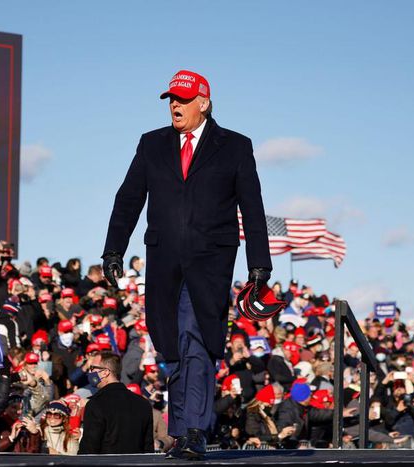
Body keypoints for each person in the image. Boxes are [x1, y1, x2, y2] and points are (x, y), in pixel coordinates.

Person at [102, 69, 272, 459]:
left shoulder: (235, 146)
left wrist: (259, 264)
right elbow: (129, 198)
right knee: (172, 347)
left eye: (182, 99)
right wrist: (113, 249)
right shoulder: (152, 143)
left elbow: (253, 207)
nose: (174, 106)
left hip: (211, 262)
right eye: (171, 100)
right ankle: (181, 430)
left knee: (197, 339)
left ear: (204, 103)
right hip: (163, 261)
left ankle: (194, 429)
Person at [78, 352, 153, 454]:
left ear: (105, 372)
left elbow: (89, 448)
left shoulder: (96, 403)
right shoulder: (143, 404)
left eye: (92, 368)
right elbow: (148, 450)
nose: (89, 372)